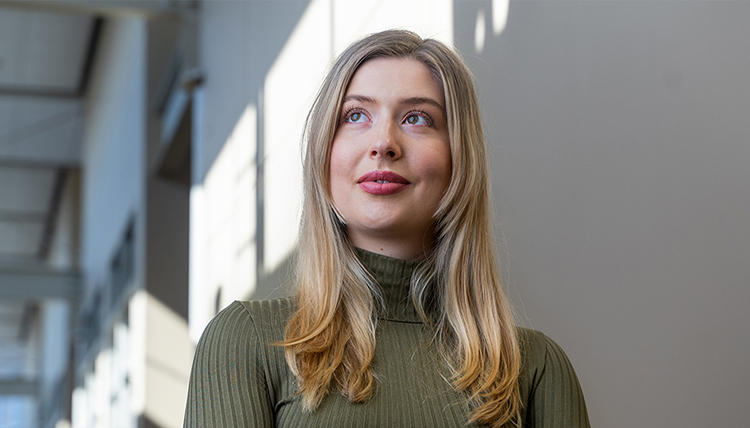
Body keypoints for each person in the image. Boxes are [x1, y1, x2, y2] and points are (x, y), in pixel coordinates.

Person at [183, 30, 590, 428]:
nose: (384, 143)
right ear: (325, 153)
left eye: (417, 118)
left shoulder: (536, 369)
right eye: (356, 115)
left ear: (459, 157)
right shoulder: (246, 342)